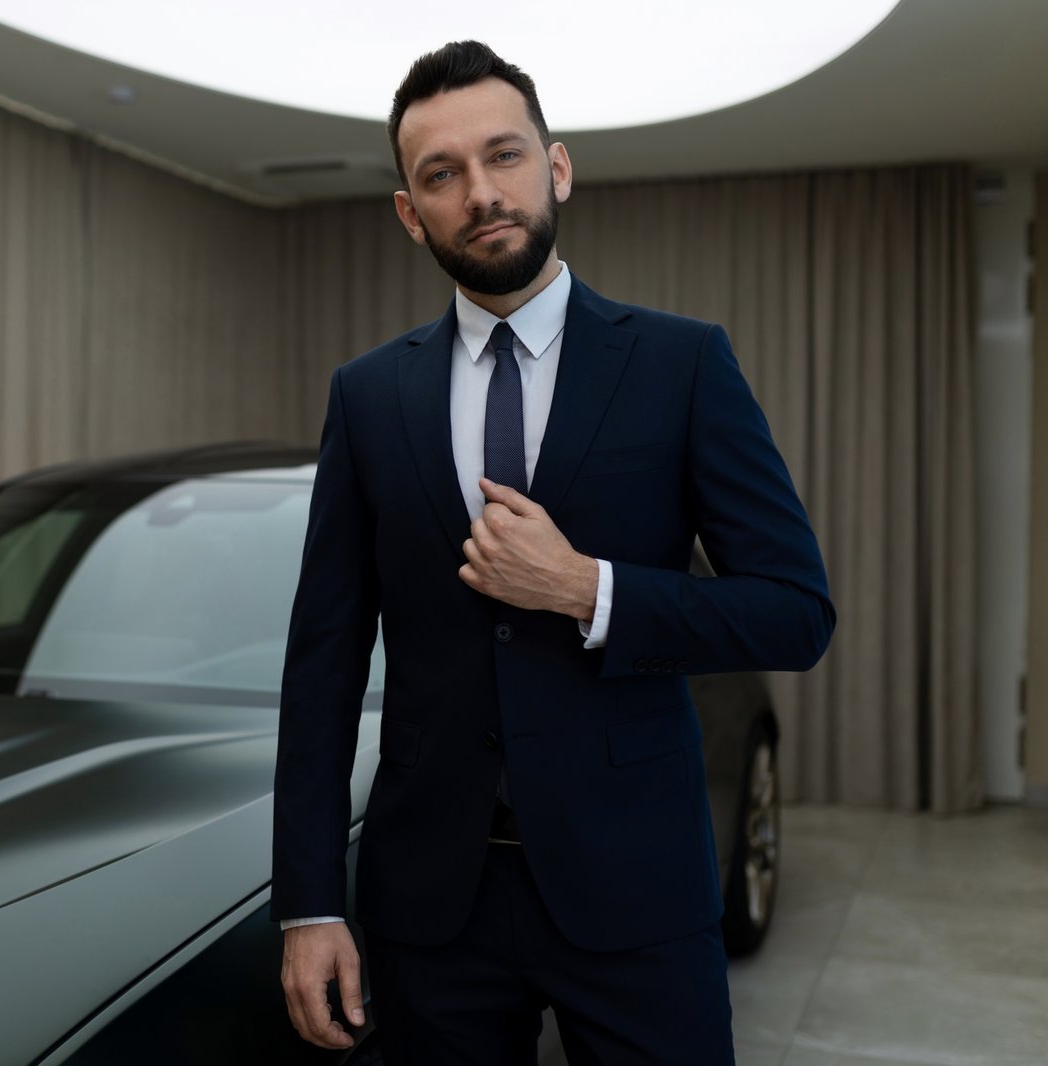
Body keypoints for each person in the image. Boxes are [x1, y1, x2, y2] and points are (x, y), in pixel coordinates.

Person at [271, 40, 835, 1066]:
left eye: (504, 156)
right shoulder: (367, 396)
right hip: (429, 906)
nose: (480, 192)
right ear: (410, 212)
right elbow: (321, 664)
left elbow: (794, 610)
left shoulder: (680, 364)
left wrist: (588, 589)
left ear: (556, 167)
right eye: (441, 174)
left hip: (638, 891)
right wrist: (307, 905)